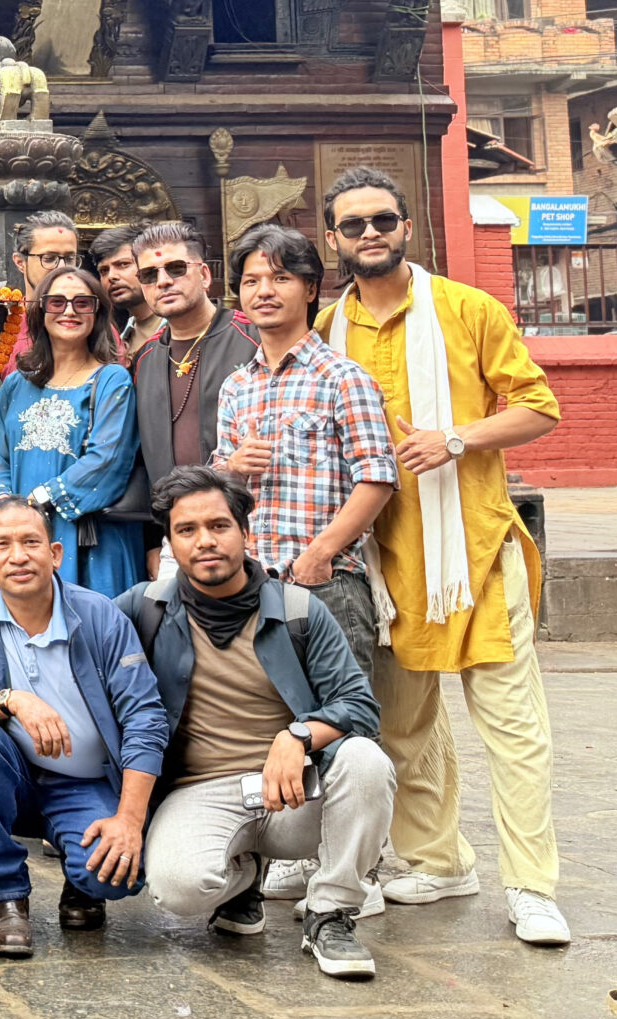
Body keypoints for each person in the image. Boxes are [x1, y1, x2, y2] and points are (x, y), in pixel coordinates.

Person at [318, 166, 569, 945]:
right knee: (404, 725)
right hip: (384, 559)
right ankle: (438, 859)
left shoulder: (467, 309)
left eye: (382, 220)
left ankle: (531, 887)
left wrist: (456, 438)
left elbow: (539, 406)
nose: (369, 233)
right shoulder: (327, 328)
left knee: (513, 727)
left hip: (474, 550)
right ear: (332, 239)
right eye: (353, 224)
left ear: (406, 227)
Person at [127, 467, 395, 978]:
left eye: (218, 526)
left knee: (365, 761)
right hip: (200, 790)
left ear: (245, 532)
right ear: (171, 544)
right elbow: (70, 619)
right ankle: (244, 879)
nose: (205, 541)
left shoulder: (298, 610)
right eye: (187, 530)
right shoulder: (146, 609)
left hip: (293, 792)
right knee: (177, 891)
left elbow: (359, 704)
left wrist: (298, 736)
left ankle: (330, 913)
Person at [0, 495, 166, 957]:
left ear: (55, 553)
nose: (18, 556)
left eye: (31, 542)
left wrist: (128, 819)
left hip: (85, 781)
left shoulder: (99, 615)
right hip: (10, 777)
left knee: (115, 877)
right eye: (2, 545)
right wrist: (12, 700)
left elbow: (145, 715)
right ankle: (4, 896)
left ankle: (79, 878)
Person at [212, 224, 396, 674]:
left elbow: (377, 479)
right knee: (261, 712)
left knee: (340, 712)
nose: (264, 291)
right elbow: (217, 485)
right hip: (249, 584)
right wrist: (233, 465)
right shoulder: (236, 386)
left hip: (325, 584)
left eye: (281, 278)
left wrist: (319, 554)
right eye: (251, 281)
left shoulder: (343, 378)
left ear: (310, 288)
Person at [0, 266, 143, 596]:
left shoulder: (111, 380)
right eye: (57, 302)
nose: (69, 311)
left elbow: (107, 460)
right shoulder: (15, 384)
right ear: (41, 312)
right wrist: (7, 510)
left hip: (90, 540)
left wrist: (39, 500)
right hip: (23, 540)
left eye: (82, 303)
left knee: (95, 623)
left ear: (97, 313)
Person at [127, 221, 256, 492]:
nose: (163, 281)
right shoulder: (144, 359)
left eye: (176, 268)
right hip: (170, 511)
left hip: (243, 507)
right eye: (149, 275)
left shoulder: (254, 339)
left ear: (205, 275)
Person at [90, 224, 161, 354]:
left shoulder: (179, 328)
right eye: (104, 271)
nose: (111, 276)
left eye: (123, 264)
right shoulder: (120, 342)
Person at [12, 210, 79, 301]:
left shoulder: (91, 309)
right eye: (49, 258)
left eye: (70, 259)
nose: (62, 267)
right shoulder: (2, 309)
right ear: (20, 262)